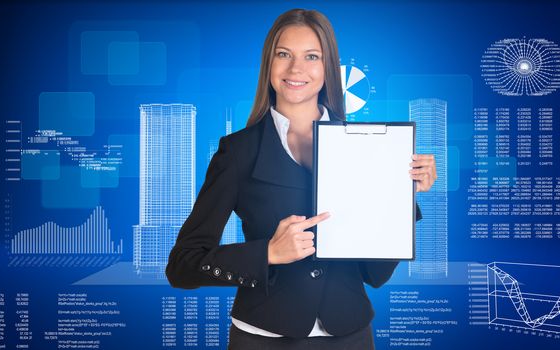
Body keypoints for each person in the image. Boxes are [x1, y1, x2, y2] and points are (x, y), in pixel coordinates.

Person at [166, 8, 437, 349]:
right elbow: (182, 266)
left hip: (350, 336)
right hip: (262, 338)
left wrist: (403, 195)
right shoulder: (237, 152)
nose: (296, 69)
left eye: (311, 56)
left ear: (328, 68)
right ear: (269, 64)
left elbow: (376, 274)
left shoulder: (369, 148)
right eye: (284, 54)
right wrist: (267, 253)